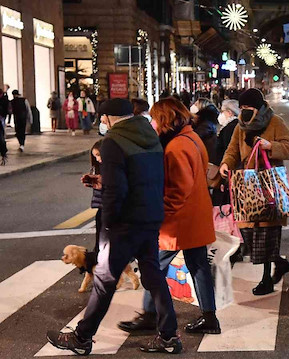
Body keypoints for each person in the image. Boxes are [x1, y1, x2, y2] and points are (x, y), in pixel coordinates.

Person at [46, 98, 181, 355]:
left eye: (103, 119)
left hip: (124, 223)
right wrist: (101, 181)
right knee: (153, 275)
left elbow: (117, 189)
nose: (102, 123)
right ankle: (168, 336)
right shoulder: (150, 136)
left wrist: (107, 225)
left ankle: (82, 337)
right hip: (150, 216)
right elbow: (140, 176)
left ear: (107, 118)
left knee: (104, 278)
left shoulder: (112, 142)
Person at [118, 97, 220, 337]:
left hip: (178, 221)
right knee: (198, 266)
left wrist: (159, 214)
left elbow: (178, 190)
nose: (152, 123)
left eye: (155, 118)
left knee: (154, 266)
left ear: (165, 118)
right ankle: (209, 317)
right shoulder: (192, 137)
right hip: (195, 215)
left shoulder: (177, 146)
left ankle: (151, 314)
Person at [219, 88, 289, 295]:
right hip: (247, 186)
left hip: (269, 186)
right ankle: (279, 263)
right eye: (242, 108)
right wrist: (226, 164)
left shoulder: (275, 122)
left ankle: (266, 280)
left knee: (267, 234)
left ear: (259, 107)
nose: (245, 111)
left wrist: (270, 145)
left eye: (249, 108)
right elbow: (232, 151)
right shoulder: (240, 127)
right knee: (249, 235)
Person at [212, 99, 240, 207]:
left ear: (229, 112)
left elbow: (229, 151)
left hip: (227, 172)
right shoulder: (233, 126)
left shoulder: (230, 128)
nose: (221, 114)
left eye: (222, 111)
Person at [81, 140, 104, 253]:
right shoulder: (97, 168)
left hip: (108, 207)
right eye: (95, 156)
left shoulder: (113, 168)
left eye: (99, 155)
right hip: (101, 206)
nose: (97, 159)